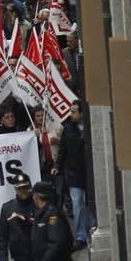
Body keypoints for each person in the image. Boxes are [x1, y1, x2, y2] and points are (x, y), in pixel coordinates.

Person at [52, 100, 92, 250]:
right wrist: (57, 166)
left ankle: (90, 229)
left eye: (74, 111)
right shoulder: (68, 129)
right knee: (77, 204)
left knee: (89, 203)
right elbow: (63, 150)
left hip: (88, 172)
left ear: (82, 113)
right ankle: (80, 236)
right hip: (74, 172)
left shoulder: (89, 127)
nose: (71, 114)